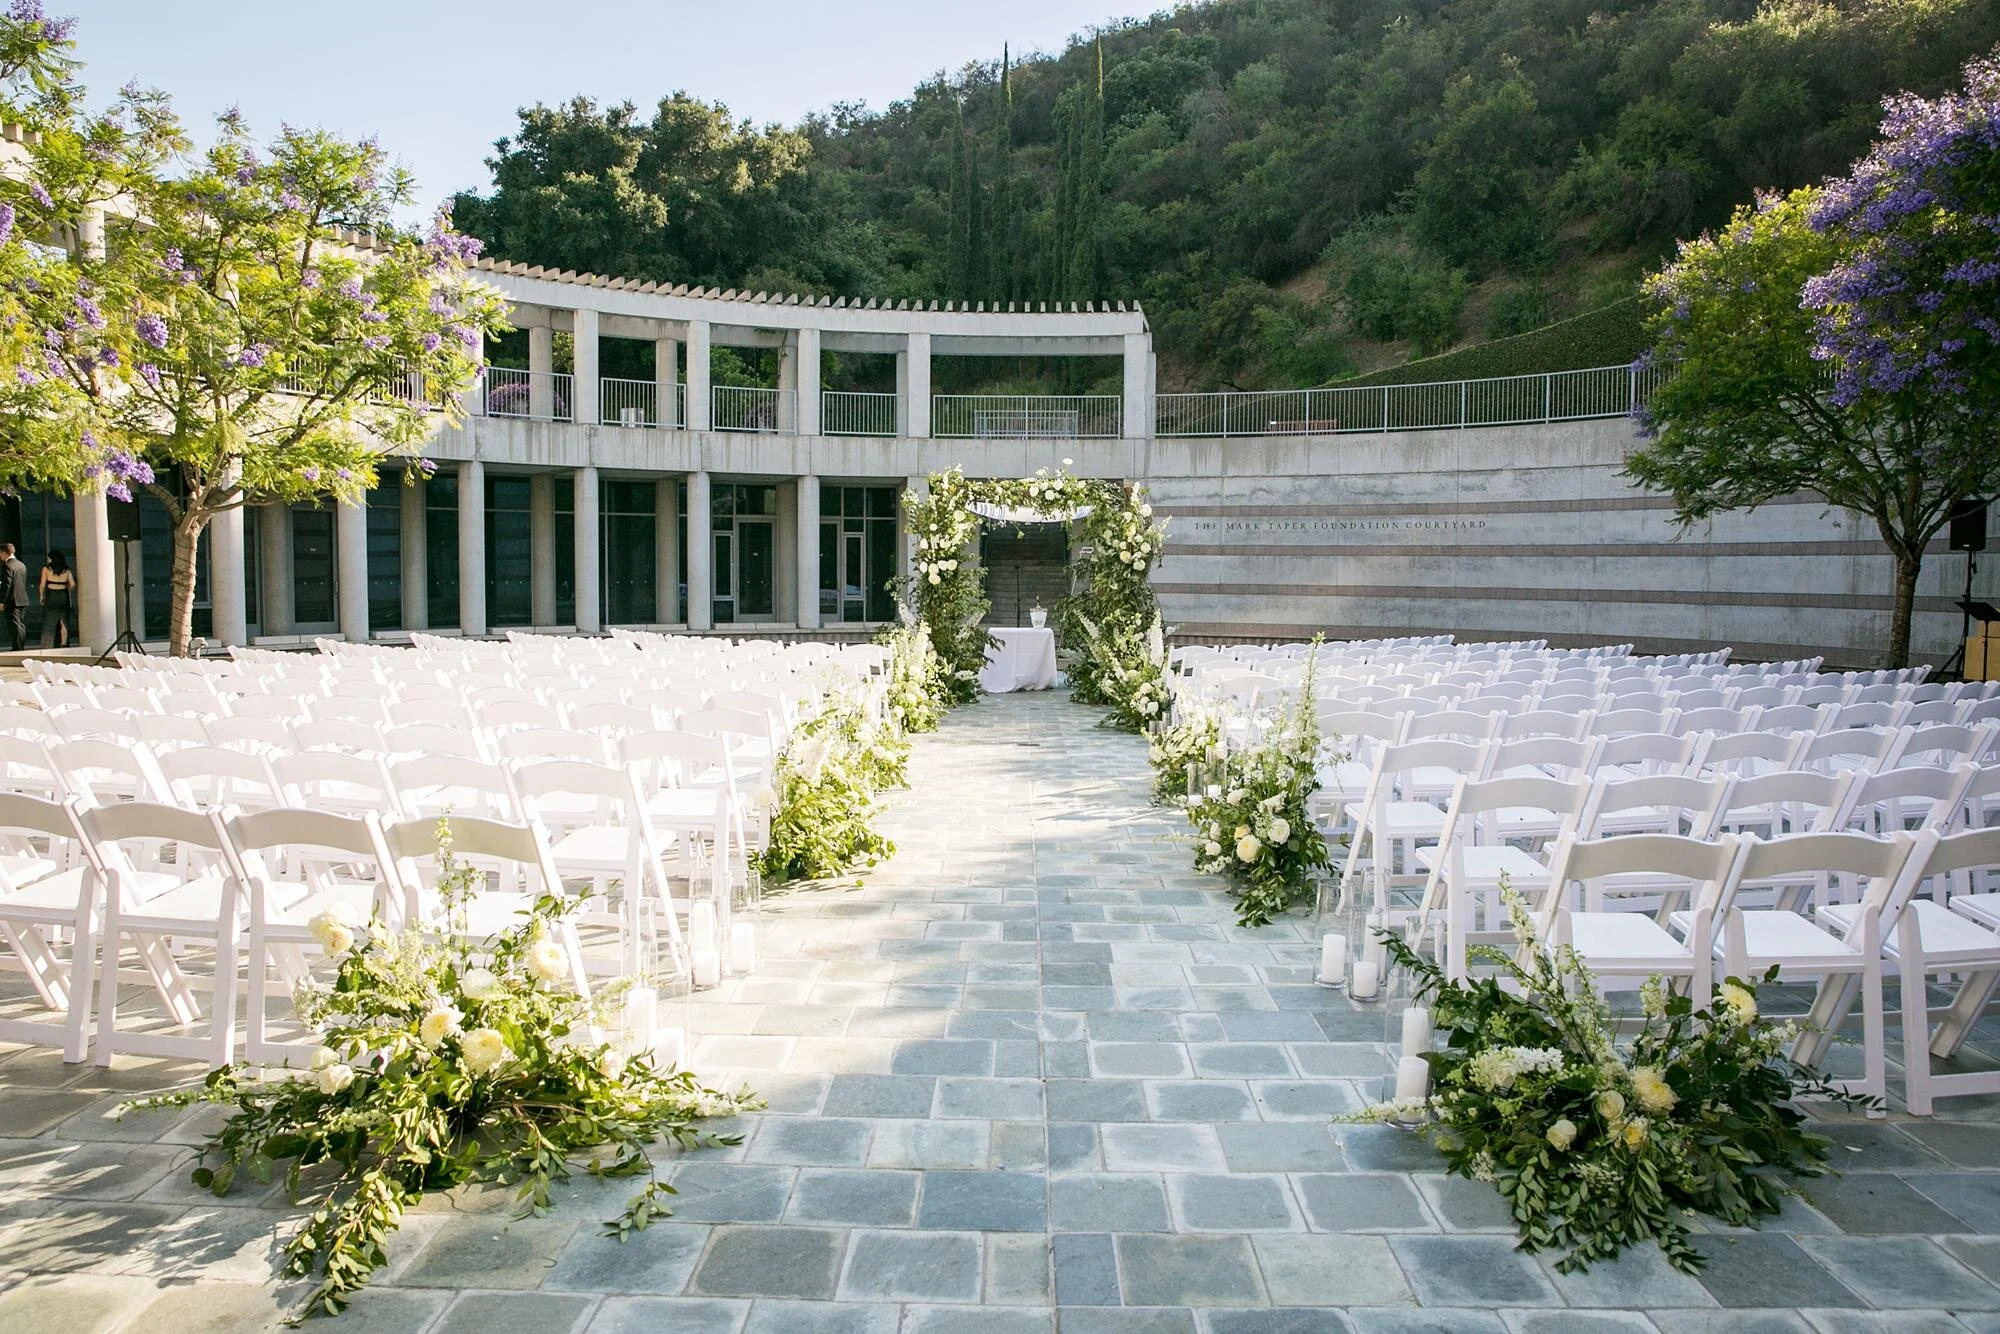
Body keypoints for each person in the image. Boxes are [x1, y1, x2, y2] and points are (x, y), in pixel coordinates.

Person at [38, 549, 73, 649]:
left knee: (49, 621)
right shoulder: (66, 570)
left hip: (51, 595)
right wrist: (68, 590)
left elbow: (42, 585)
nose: (48, 560)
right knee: (63, 621)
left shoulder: (46, 569)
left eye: (49, 558)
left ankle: (47, 644)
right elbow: (72, 584)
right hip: (63, 595)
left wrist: (41, 596)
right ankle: (64, 643)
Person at [0, 544, 26, 651]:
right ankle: (20, 646)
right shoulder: (21, 565)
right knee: (21, 624)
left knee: (14, 625)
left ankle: (17, 648)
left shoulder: (7, 566)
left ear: (4, 552)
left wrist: (1, 601)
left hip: (12, 600)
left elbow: (7, 585)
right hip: (23, 599)